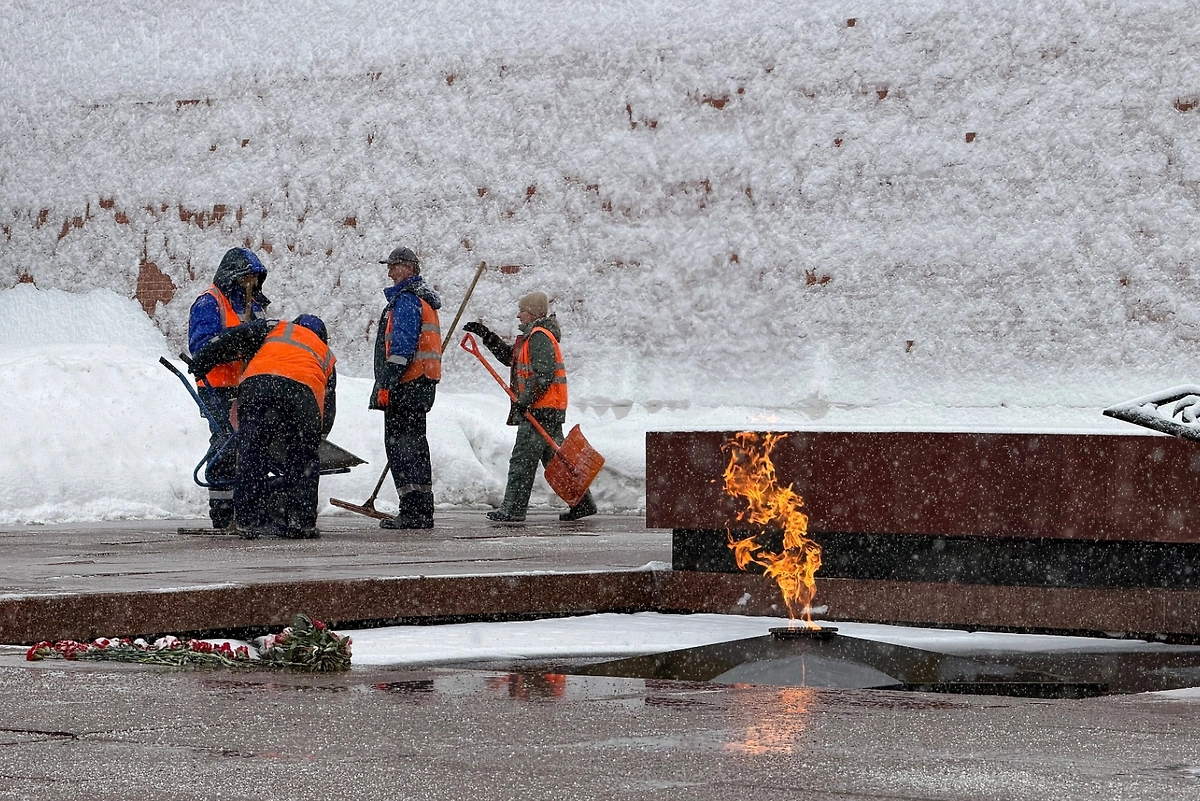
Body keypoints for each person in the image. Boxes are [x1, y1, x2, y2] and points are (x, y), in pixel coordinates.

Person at [188, 314, 337, 540]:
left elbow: (236, 337)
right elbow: (328, 407)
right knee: (303, 460)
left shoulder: (278, 328)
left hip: (258, 387)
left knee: (252, 454)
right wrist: (313, 436)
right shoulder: (325, 354)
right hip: (302, 395)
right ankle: (300, 522)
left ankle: (248, 521)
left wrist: (204, 358)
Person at [464, 292, 597, 522]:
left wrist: (524, 401)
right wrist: (487, 336)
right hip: (547, 409)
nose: (518, 315)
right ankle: (583, 503)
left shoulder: (539, 336)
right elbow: (510, 357)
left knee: (522, 461)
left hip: (539, 409)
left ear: (533, 313)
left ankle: (513, 510)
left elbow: (543, 374)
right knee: (558, 461)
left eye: (522, 311)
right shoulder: (532, 337)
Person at [186, 247, 269, 529]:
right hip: (218, 387)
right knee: (226, 443)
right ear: (233, 276)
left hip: (248, 385)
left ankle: (246, 508)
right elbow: (202, 347)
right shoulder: (209, 303)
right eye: (247, 278)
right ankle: (222, 510)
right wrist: (240, 339)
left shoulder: (253, 306)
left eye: (255, 279)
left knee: (250, 444)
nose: (251, 284)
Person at [370, 246, 442, 530]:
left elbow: (401, 348)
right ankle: (421, 510)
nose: (389, 273)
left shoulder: (407, 300)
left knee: (402, 448)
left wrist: (386, 383)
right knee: (414, 446)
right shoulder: (420, 300)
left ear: (409, 268)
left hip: (407, 384)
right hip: (420, 384)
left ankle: (413, 511)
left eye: (393, 266)